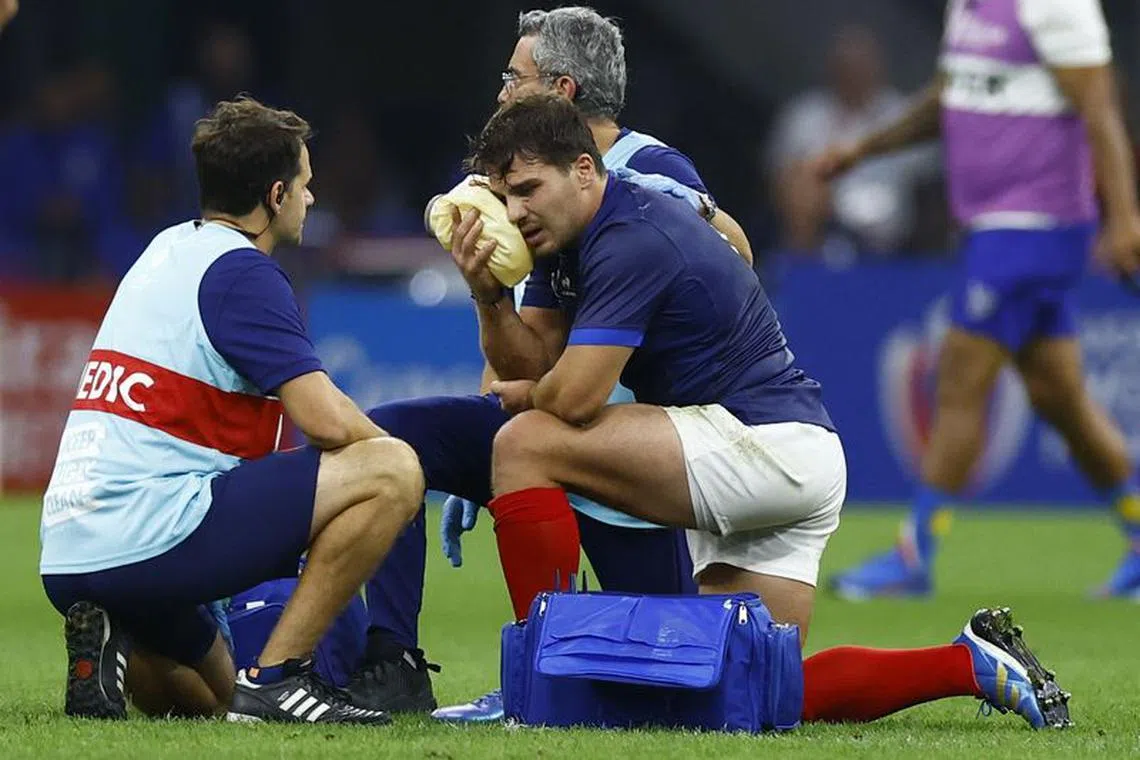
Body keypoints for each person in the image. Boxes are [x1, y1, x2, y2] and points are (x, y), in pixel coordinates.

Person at [446, 91, 1072, 730]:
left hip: (758, 440)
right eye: (506, 197)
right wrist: (489, 296)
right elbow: (534, 362)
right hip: (792, 452)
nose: (516, 213)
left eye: (528, 188)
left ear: (584, 169)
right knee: (742, 693)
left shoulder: (631, 232)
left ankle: (538, 688)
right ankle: (970, 665)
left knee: (525, 443)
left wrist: (529, 396)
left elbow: (571, 399)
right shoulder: (565, 241)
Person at [348, 6, 755, 718]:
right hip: (553, 428)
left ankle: (553, 681)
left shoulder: (649, 169)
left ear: (561, 90)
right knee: (392, 443)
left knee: (683, 678)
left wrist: (699, 214)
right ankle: (394, 662)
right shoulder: (541, 191)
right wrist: (487, 301)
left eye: (515, 78)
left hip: (635, 451)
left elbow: (739, 259)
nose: (502, 92)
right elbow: (528, 355)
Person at [38, 97, 424, 724]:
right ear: (275, 194)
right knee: (392, 471)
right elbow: (325, 421)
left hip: (68, 551)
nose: (311, 199)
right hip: (152, 532)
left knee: (214, 700)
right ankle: (280, 678)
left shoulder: (164, 249)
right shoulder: (243, 273)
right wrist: (399, 460)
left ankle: (110, 639)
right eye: (304, 185)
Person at [817, 0, 1140, 599]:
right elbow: (950, 96)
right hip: (997, 228)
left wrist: (1124, 219)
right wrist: (864, 151)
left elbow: (1100, 108)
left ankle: (914, 554)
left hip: (1035, 224)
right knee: (1059, 396)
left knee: (959, 379)